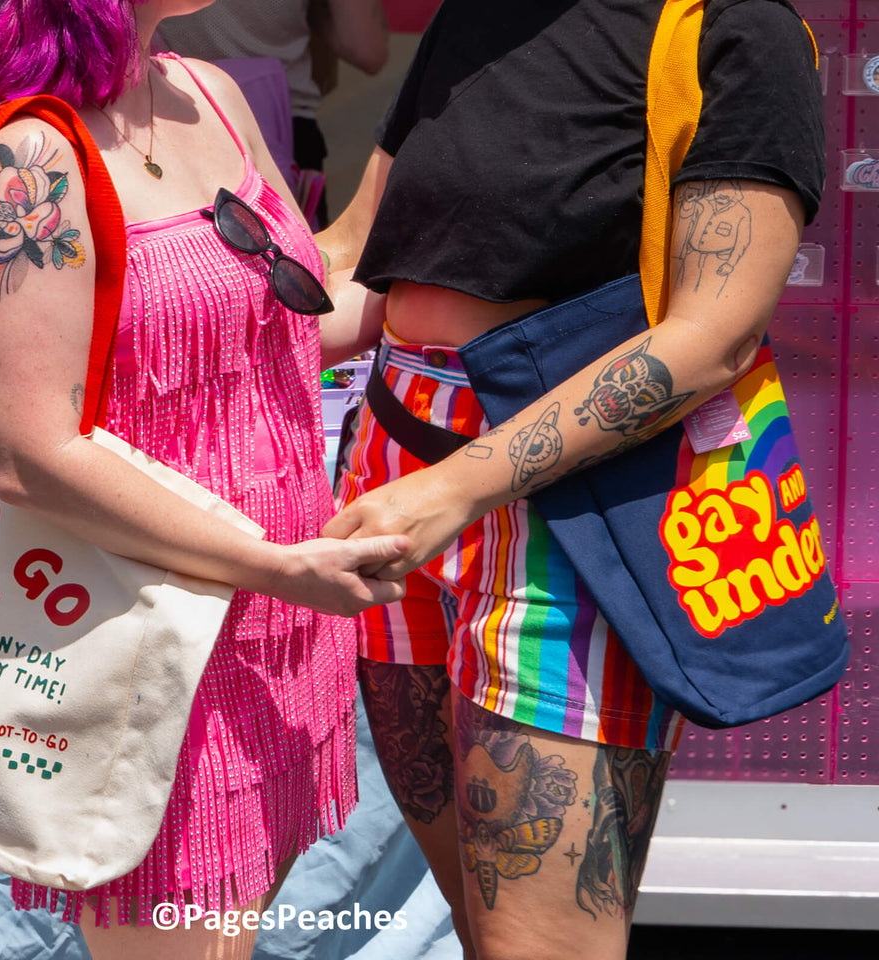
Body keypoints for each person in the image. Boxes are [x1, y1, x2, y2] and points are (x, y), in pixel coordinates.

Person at [316, 1, 825, 958]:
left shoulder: (736, 26)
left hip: (568, 504)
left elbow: (712, 336)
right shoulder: (479, 20)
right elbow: (357, 260)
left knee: (540, 946)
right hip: (394, 469)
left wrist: (454, 489)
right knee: (480, 924)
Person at [0, 0, 406, 956]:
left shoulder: (213, 91)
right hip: (154, 637)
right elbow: (30, 453)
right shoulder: (28, 157)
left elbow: (296, 319)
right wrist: (272, 565)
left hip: (277, 630)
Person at [156, 0, 388, 228]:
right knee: (292, 253)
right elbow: (366, 49)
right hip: (283, 127)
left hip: (170, 119)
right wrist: (312, 13)